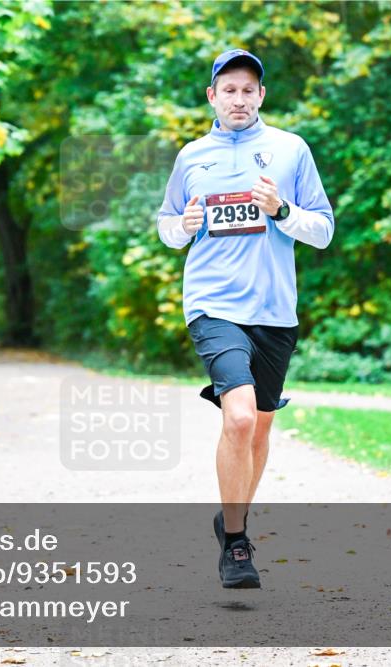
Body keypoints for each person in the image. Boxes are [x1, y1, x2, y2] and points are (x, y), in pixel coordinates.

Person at [156, 48, 334, 589]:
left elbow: (323, 230)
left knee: (258, 427)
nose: (239, 99)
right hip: (212, 304)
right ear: (213, 96)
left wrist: (282, 211)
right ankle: (236, 542)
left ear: (261, 95)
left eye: (248, 90)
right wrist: (183, 226)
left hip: (275, 310)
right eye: (228, 90)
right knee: (237, 418)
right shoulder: (192, 156)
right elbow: (167, 226)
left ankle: (230, 518)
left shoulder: (290, 149)